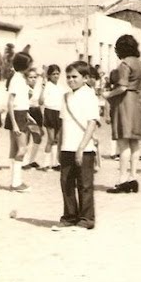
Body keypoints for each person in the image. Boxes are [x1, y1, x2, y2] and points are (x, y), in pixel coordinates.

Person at [53, 61, 100, 231]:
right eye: (69, 77)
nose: (71, 80)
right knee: (66, 182)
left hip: (84, 148)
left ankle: (86, 219)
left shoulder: (90, 96)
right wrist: (59, 148)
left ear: (85, 78)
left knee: (84, 184)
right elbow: (63, 124)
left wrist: (81, 147)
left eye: (75, 77)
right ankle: (69, 217)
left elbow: (92, 123)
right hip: (67, 146)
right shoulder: (66, 96)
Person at [104, 34, 141, 194]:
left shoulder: (124, 64)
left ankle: (122, 180)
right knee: (134, 142)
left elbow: (122, 87)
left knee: (123, 142)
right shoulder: (140, 64)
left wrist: (107, 95)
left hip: (125, 103)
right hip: (137, 101)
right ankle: (133, 178)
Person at [5, 51, 33, 192]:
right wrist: (15, 123)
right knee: (22, 149)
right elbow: (10, 103)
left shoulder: (20, 78)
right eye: (29, 64)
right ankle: (16, 183)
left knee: (16, 149)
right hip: (16, 116)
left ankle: (14, 182)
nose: (31, 66)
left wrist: (27, 114)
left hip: (21, 114)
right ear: (23, 65)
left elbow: (21, 101)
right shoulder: (16, 79)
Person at [39, 64, 63, 171]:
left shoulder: (61, 87)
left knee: (57, 139)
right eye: (53, 74)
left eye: (58, 74)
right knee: (50, 139)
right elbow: (40, 101)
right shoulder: (47, 85)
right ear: (49, 75)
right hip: (50, 112)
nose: (56, 76)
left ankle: (55, 163)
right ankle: (45, 164)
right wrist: (42, 89)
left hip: (59, 113)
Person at [23, 68, 44, 169]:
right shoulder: (25, 89)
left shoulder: (38, 88)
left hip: (37, 111)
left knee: (38, 137)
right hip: (28, 112)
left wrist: (43, 89)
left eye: (35, 77)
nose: (33, 79)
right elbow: (23, 103)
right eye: (30, 77)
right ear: (26, 78)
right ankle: (24, 161)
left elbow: (40, 102)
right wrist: (28, 116)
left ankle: (32, 160)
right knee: (26, 137)